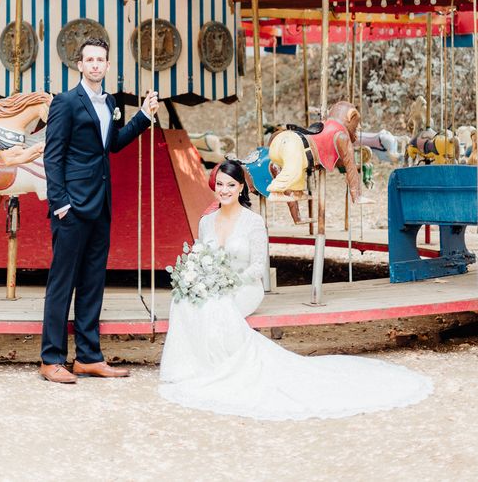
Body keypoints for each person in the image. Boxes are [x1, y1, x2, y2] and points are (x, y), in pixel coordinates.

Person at [159, 159, 432, 420]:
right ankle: (193, 366)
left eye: (231, 184)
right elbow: (198, 256)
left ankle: (222, 366)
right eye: (220, 184)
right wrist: (199, 279)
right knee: (184, 299)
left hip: (244, 287)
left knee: (215, 305)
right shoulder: (206, 221)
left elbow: (257, 268)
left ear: (241, 187)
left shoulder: (252, 222)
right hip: (214, 285)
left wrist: (226, 282)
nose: (224, 190)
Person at [40, 36, 158, 383]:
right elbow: (53, 155)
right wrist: (59, 202)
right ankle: (52, 359)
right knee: (62, 283)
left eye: (100, 60)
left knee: (93, 282)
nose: (94, 65)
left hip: (101, 204)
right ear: (79, 65)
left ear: (107, 66)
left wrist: (143, 118)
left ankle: (88, 356)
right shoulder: (65, 102)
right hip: (72, 207)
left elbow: (113, 145)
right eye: (89, 59)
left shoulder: (108, 103)